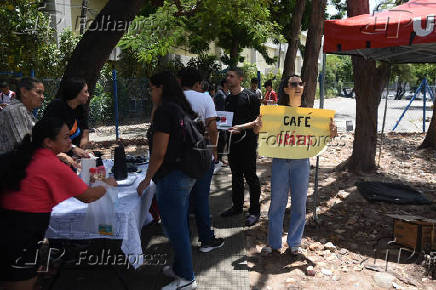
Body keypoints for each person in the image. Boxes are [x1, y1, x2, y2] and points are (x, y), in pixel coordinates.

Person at [0, 118, 116, 290]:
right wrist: (108, 184)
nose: (70, 141)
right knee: (21, 282)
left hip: (9, 224)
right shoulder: (51, 164)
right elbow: (89, 196)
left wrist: (96, 177)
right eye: (65, 137)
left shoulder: (28, 154)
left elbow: (81, 178)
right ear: (48, 142)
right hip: (21, 231)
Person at [231, 75, 337, 255]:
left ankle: (295, 242)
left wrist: (332, 131)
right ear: (286, 89)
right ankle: (274, 244)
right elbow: (259, 130)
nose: (297, 86)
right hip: (280, 161)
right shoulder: (275, 112)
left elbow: (328, 136)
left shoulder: (311, 114)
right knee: (277, 204)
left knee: (299, 204)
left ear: (303, 88)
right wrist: (256, 126)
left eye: (300, 83)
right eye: (293, 84)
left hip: (301, 162)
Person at [136, 71, 198, 290]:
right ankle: (181, 268)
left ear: (160, 88)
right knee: (178, 225)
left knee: (175, 228)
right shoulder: (177, 107)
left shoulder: (166, 111)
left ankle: (187, 278)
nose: (150, 92)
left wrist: (147, 178)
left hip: (173, 176)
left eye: (151, 87)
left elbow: (159, 152)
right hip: (183, 174)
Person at [177, 67, 224, 253]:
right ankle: (206, 239)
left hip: (178, 155)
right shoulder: (205, 97)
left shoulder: (172, 98)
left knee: (183, 199)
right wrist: (214, 150)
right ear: (198, 84)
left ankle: (183, 241)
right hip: (201, 151)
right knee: (202, 197)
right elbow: (212, 128)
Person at [220, 68, 262, 227]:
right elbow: (225, 120)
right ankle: (237, 207)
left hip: (248, 143)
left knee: (251, 177)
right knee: (236, 176)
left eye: (231, 76)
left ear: (240, 79)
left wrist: (241, 127)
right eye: (227, 76)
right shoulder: (228, 98)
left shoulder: (251, 97)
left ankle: (254, 211)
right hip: (233, 144)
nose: (228, 78)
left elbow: (259, 120)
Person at [43, 78, 91, 167]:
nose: (88, 95)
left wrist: (83, 145)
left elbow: (85, 130)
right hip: (57, 156)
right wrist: (73, 148)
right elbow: (49, 134)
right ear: (75, 92)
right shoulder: (56, 107)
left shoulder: (81, 108)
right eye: (85, 92)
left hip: (72, 156)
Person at [0, 77, 44, 154]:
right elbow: (23, 146)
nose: (42, 97)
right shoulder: (14, 111)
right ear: (24, 92)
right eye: (38, 92)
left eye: (42, 93)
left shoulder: (27, 112)